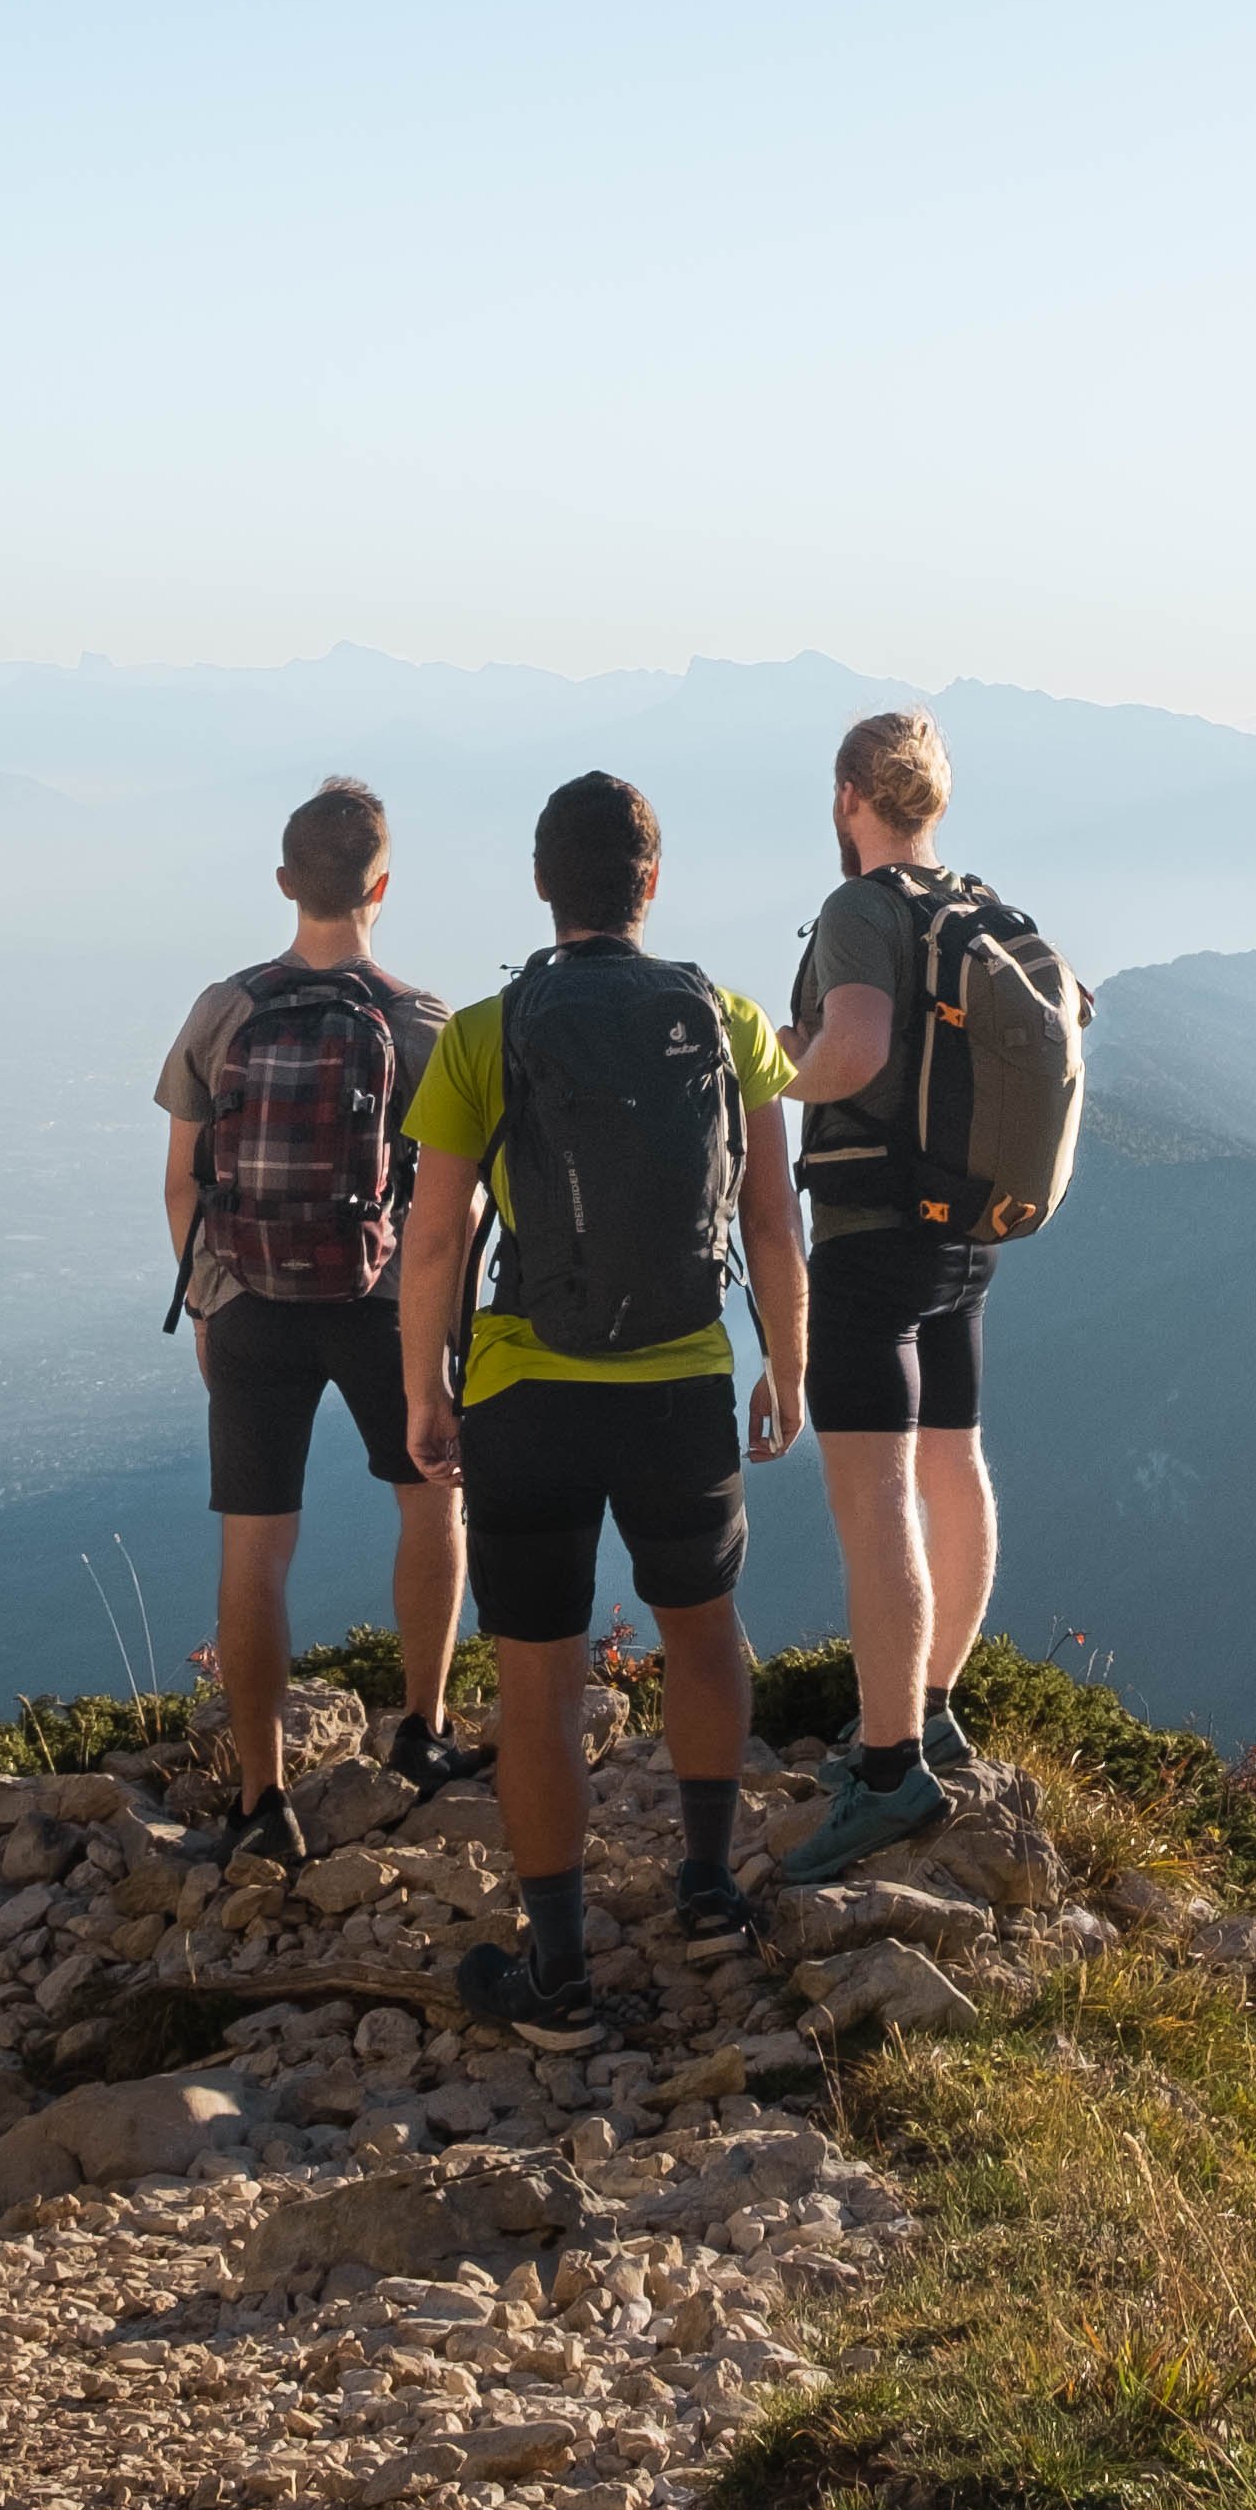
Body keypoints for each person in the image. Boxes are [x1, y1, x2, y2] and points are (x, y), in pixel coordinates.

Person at [395, 769, 809, 2051]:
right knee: (703, 1631)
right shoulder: (728, 1018)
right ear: (652, 882)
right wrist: (787, 1364)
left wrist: (425, 1389)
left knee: (539, 1683)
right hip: (683, 1382)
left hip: (527, 1391)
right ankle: (708, 1889)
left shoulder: (485, 1031)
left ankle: (560, 1969)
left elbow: (432, 1238)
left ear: (541, 883)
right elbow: (770, 1219)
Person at [157, 776, 483, 1863]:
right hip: (383, 1305)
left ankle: (262, 1799)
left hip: (249, 1302)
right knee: (432, 1501)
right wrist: (442, 1343)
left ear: (285, 881)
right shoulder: (422, 1022)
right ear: (382, 887)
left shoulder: (224, 1009)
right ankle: (424, 1731)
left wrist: (208, 1301)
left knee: (255, 1548)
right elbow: (453, 1208)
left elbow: (181, 1183)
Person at [777, 705, 1006, 1884]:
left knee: (874, 1499)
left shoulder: (861, 909)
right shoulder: (972, 904)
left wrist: (773, 1065)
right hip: (964, 1231)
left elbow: (855, 1050)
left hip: (871, 1232)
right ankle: (934, 1705)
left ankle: (888, 1768)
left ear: (849, 795)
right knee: (952, 1463)